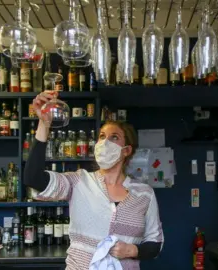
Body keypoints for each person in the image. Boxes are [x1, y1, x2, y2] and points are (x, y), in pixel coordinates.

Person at [24, 91, 164, 269]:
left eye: (114, 137)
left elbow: (155, 243)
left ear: (127, 150)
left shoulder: (144, 193)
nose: (105, 142)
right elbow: (33, 178)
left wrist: (132, 250)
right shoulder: (79, 181)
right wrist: (44, 124)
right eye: (102, 136)